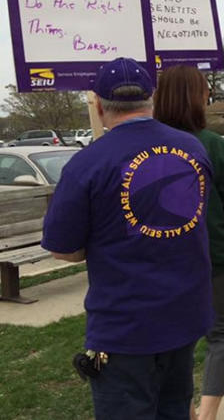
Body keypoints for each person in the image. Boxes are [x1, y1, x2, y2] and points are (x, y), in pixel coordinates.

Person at [41, 58, 214, 419]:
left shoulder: (86, 165)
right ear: (150, 99)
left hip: (124, 326)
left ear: (100, 105)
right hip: (185, 315)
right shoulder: (193, 150)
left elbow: (64, 250)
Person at [153, 65, 224, 420]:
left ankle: (186, 409)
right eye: (205, 90)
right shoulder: (212, 146)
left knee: (174, 334)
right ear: (196, 96)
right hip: (215, 254)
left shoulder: (147, 147)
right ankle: (206, 412)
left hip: (159, 257)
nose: (209, 96)